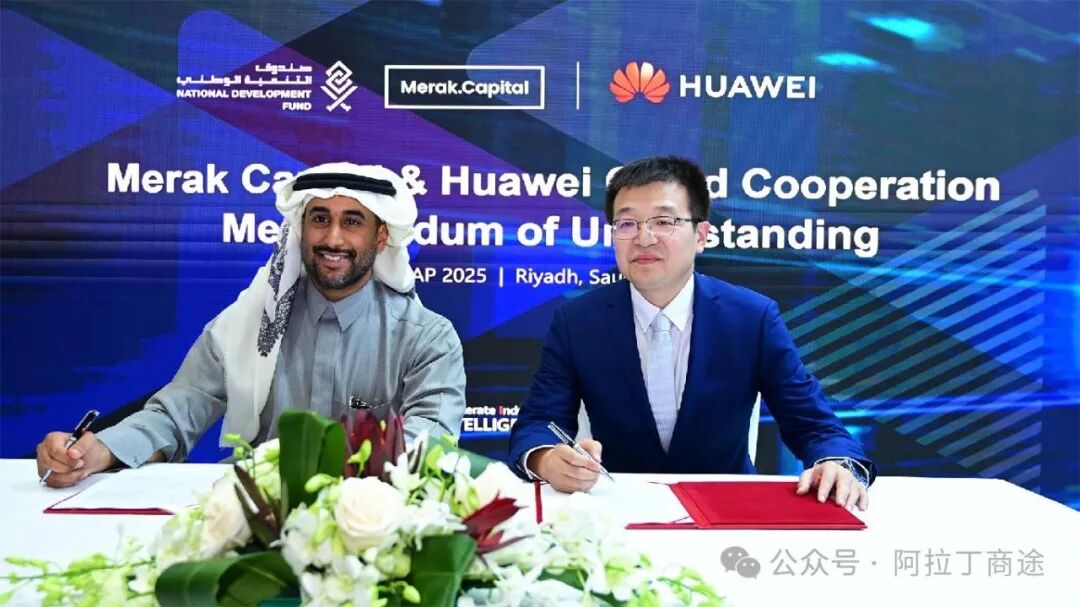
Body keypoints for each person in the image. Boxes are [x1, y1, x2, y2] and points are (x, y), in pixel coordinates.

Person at [36, 163, 466, 488]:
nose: (333, 238)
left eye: (352, 222)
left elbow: (430, 443)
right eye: (320, 219)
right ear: (300, 229)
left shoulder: (425, 337)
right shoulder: (246, 324)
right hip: (249, 511)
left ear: (381, 237)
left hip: (368, 524)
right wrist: (98, 451)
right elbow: (179, 411)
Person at [509, 156, 875, 510]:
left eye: (663, 222)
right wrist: (546, 460)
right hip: (618, 512)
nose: (643, 238)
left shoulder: (751, 317)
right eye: (627, 224)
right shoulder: (577, 321)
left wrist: (837, 463)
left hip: (727, 512)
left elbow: (814, 423)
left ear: (701, 235)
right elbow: (538, 423)